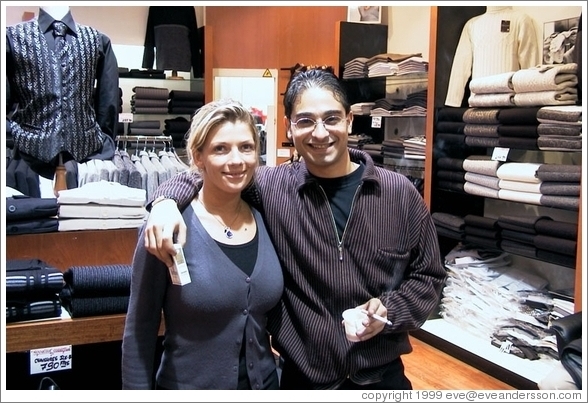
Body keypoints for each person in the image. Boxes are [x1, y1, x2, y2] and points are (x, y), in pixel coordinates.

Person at [143, 68, 447, 390]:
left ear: (349, 121)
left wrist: (389, 311)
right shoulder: (271, 188)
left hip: (381, 380)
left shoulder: (398, 194)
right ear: (289, 126)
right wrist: (165, 200)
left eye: (331, 119)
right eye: (305, 121)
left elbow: (429, 278)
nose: (320, 133)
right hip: (302, 382)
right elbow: (210, 172)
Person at [121, 99, 284, 390]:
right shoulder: (167, 226)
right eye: (220, 149)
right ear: (198, 157)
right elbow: (139, 330)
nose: (236, 160)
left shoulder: (268, 216)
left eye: (246, 147)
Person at [6, 6, 119, 180]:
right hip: (27, 161)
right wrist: (12, 135)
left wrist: (104, 141)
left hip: (86, 161)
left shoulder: (98, 41)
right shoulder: (11, 38)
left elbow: (108, 100)